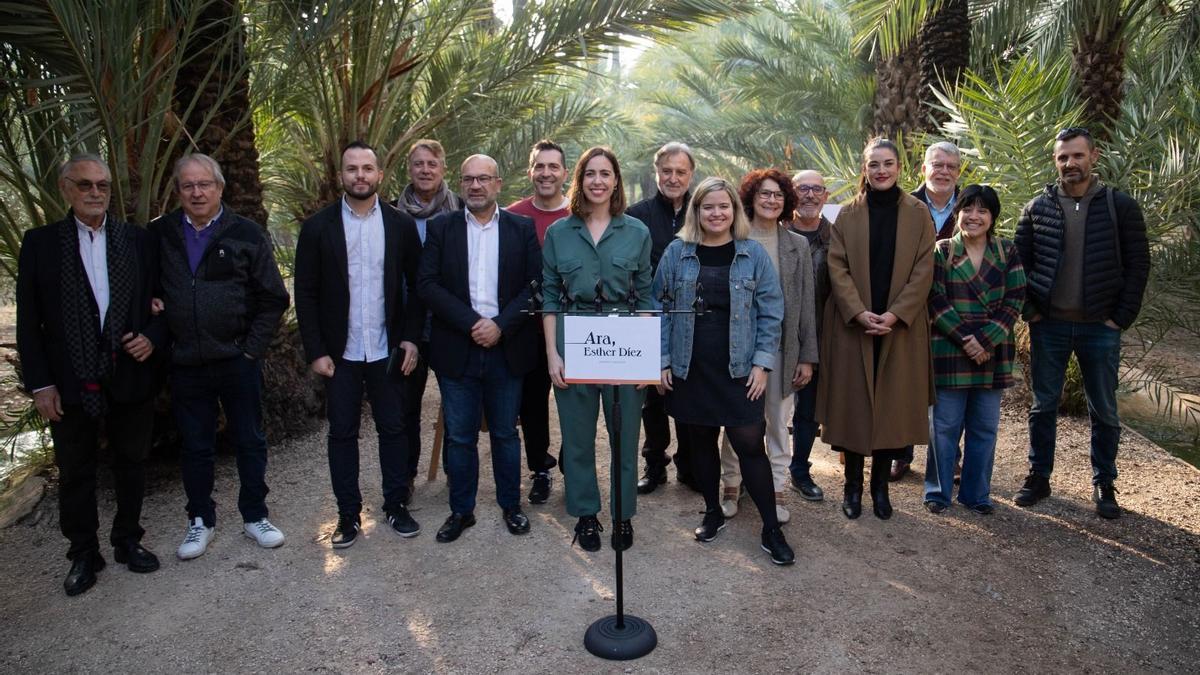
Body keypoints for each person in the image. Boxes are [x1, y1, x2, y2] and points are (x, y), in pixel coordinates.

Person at [16, 154, 164, 595]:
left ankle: (128, 540)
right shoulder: (41, 243)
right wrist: (41, 384)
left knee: (131, 463)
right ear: (66, 189)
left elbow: (161, 301)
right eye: (84, 185)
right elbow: (29, 323)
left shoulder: (135, 240)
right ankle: (83, 553)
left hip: (129, 372)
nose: (95, 192)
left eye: (102, 185)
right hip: (69, 379)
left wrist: (152, 336)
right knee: (75, 469)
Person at [151, 153, 291, 559]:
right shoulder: (160, 234)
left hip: (236, 360)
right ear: (178, 191)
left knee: (249, 438)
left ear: (220, 188)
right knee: (195, 445)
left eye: (204, 185)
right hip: (185, 363)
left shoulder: (246, 233)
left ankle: (255, 515)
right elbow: (143, 286)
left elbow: (273, 298)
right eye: (188, 186)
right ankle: (200, 521)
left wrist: (250, 351)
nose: (197, 192)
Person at [654, 177, 794, 565]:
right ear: (696, 212)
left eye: (724, 206)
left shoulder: (752, 254)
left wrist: (762, 363)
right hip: (689, 366)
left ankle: (771, 528)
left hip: (739, 369)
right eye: (707, 207)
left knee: (750, 444)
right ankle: (713, 511)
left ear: (735, 210)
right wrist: (663, 360)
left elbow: (772, 312)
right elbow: (661, 308)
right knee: (700, 443)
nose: (716, 213)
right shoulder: (676, 253)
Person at [1013, 127, 1150, 519]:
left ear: (1094, 156)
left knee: (1104, 408)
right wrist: (1031, 310)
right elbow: (1018, 264)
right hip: (1049, 325)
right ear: (1055, 162)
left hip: (1099, 328)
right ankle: (1039, 477)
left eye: (1076, 156)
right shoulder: (1037, 208)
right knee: (1042, 406)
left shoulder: (1119, 207)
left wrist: (1119, 317)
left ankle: (1104, 482)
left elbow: (1138, 264)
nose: (1070, 164)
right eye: (1062, 158)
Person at [294, 141, 425, 548]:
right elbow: (306, 292)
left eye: (367, 168)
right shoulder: (319, 227)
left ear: (380, 175)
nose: (360, 176)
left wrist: (410, 338)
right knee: (342, 434)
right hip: (341, 354)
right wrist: (315, 350)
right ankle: (348, 516)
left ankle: (395, 505)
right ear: (342, 176)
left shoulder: (400, 224)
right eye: (352, 169)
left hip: (387, 349)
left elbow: (418, 287)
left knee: (394, 428)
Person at [420, 154, 540, 542]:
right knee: (459, 436)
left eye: (483, 179)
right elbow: (428, 285)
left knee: (505, 433)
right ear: (460, 183)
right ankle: (461, 511)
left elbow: (534, 288)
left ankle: (511, 506)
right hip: (458, 347)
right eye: (469, 179)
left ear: (498, 184)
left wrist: (500, 326)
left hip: (507, 348)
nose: (475, 186)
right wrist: (473, 323)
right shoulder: (442, 228)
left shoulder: (522, 228)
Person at [816, 137, 935, 521]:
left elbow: (923, 270)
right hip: (855, 327)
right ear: (864, 170)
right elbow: (838, 267)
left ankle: (880, 487)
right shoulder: (847, 215)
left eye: (887, 164)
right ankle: (852, 487)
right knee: (852, 408)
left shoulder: (918, 214)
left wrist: (897, 314)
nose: (881, 171)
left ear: (899, 168)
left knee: (891, 408)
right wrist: (859, 312)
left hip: (899, 328)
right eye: (873, 165)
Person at [542, 146, 652, 553]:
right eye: (590, 174)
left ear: (616, 181)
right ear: (580, 180)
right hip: (574, 340)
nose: (598, 181)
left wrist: (645, 358)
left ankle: (622, 515)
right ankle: (587, 515)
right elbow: (550, 297)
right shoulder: (559, 233)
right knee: (577, 437)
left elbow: (645, 297)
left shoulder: (637, 232)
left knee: (624, 435)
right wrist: (554, 354)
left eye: (606, 173)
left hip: (624, 340)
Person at [716, 170, 817, 525]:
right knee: (738, 419)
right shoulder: (731, 241)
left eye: (777, 195)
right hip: (737, 349)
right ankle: (731, 484)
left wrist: (807, 356)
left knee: (777, 422)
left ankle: (776, 489)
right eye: (764, 194)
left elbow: (805, 304)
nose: (771, 200)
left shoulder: (797, 245)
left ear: (785, 200)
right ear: (751, 198)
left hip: (782, 349)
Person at [926, 185, 1026, 514]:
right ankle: (938, 493)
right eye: (968, 209)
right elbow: (935, 299)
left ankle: (976, 494)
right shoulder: (942, 250)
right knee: (944, 427)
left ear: (992, 217)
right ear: (958, 213)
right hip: (951, 349)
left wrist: (985, 340)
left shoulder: (1007, 250)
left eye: (982, 211)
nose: (974, 216)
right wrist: (967, 339)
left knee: (984, 427)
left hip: (992, 352)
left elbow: (1015, 300)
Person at [627, 142, 697, 494]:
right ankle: (655, 463)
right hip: (646, 317)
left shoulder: (703, 211)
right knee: (651, 399)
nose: (673, 178)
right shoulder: (635, 215)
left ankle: (689, 463)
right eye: (666, 171)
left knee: (687, 392)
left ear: (691, 175)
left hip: (691, 320)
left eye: (680, 172)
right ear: (657, 173)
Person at [393, 139, 462, 499]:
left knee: (454, 402)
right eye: (418, 164)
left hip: (449, 323)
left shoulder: (462, 210)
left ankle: (456, 473)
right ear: (410, 169)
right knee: (405, 404)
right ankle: (404, 476)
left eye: (431, 164)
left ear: (443, 169)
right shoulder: (391, 214)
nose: (425, 170)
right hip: (406, 326)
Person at [892, 140, 964, 481]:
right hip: (909, 306)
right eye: (938, 164)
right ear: (924, 168)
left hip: (955, 308)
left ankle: (949, 457)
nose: (944, 171)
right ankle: (900, 453)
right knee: (905, 381)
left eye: (951, 165)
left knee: (949, 387)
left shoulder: (971, 205)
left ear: (959, 171)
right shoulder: (903, 204)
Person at [507, 139, 570, 503]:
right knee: (532, 404)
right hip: (526, 329)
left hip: (573, 326)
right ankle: (540, 468)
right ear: (530, 171)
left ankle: (571, 460)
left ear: (564, 171)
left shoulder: (576, 215)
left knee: (575, 399)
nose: (546, 173)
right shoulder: (512, 215)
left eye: (553, 167)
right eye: (539, 166)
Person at [787, 170, 832, 502]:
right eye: (803, 188)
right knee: (764, 411)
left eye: (816, 189)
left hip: (820, 336)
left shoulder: (837, 238)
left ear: (826, 196)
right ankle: (755, 471)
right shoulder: (774, 234)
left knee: (808, 410)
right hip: (777, 335)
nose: (809, 195)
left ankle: (799, 470)